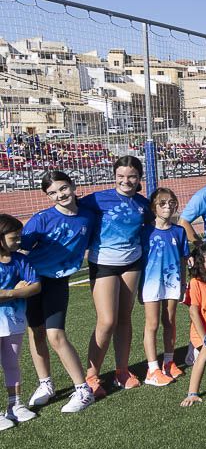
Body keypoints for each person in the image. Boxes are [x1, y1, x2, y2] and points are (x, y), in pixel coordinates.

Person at [21, 171, 97, 413]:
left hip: (57, 281)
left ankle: (82, 390)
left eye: (63, 189)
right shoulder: (41, 219)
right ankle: (45, 384)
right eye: (52, 192)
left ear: (73, 186)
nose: (59, 195)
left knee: (56, 335)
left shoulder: (89, 215)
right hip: (32, 281)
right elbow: (18, 250)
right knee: (36, 332)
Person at [80, 155, 151, 393]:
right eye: (121, 176)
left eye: (131, 176)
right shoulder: (97, 199)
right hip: (103, 263)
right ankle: (91, 376)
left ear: (139, 177)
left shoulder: (143, 204)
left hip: (132, 263)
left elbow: (154, 228)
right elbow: (73, 213)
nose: (126, 181)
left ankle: (122, 371)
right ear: (114, 176)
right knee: (107, 320)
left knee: (124, 318)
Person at [141, 188, 188, 386]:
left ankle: (169, 362)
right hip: (150, 283)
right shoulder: (145, 232)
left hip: (173, 282)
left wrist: (184, 284)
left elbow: (184, 260)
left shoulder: (179, 231)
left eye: (171, 202)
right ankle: (152, 369)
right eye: (162, 203)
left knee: (169, 321)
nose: (167, 206)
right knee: (152, 325)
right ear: (153, 207)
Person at [0, 214, 40, 429]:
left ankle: (15, 405)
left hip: (14, 320)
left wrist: (19, 292)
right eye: (14, 238)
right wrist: (14, 292)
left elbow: (35, 286)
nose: (18, 242)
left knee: (12, 363)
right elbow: (21, 290)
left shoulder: (21, 260)